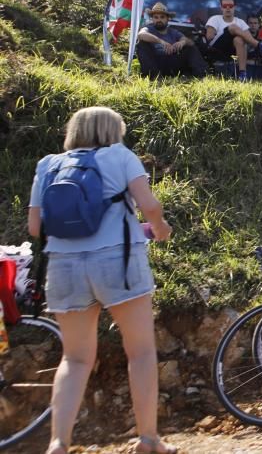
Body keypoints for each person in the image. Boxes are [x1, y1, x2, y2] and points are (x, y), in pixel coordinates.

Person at [27, 107, 176, 454]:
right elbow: (149, 205)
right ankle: (148, 439)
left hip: (63, 267)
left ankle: (58, 443)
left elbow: (36, 228)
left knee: (75, 359)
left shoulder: (48, 164)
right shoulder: (120, 156)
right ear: (113, 130)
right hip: (117, 261)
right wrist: (160, 228)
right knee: (139, 351)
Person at [204, 0, 262, 82]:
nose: (228, 8)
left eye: (230, 6)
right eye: (225, 6)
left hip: (234, 50)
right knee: (233, 27)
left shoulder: (240, 22)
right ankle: (260, 46)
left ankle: (242, 73)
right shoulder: (215, 19)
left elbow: (249, 39)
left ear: (235, 7)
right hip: (217, 48)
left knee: (239, 39)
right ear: (221, 8)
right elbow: (209, 38)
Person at [135, 3, 207, 78]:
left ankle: (202, 75)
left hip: (172, 62)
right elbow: (141, 35)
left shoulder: (173, 31)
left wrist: (183, 42)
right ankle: (153, 77)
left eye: (162, 17)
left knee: (190, 47)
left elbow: (191, 42)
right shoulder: (148, 28)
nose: (159, 20)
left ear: (167, 18)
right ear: (152, 19)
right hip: (155, 63)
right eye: (156, 17)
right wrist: (161, 41)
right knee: (141, 44)